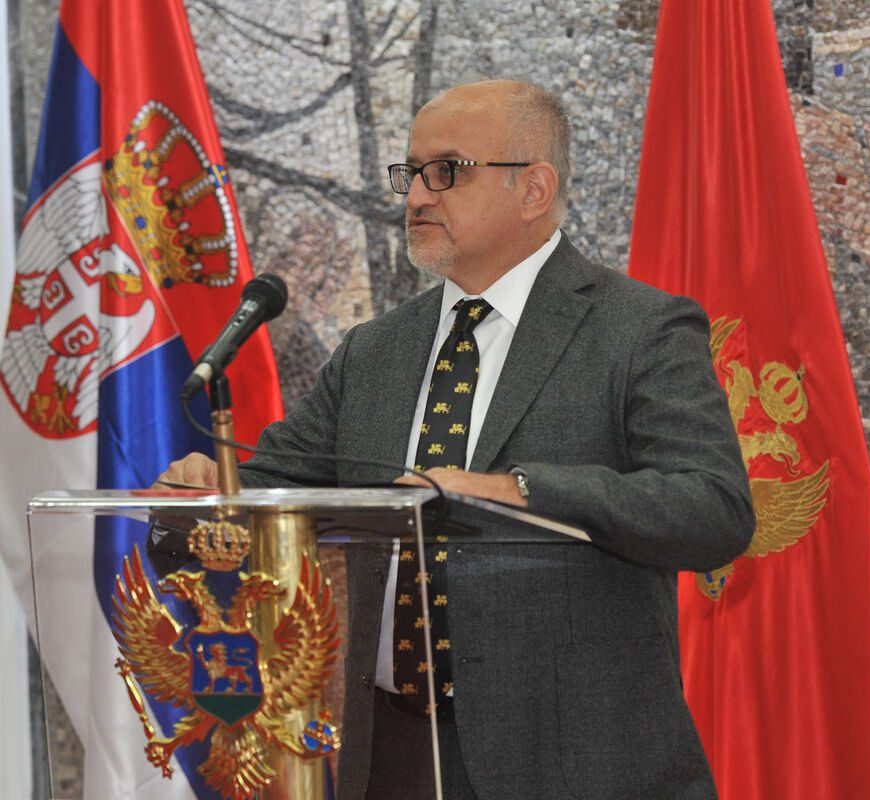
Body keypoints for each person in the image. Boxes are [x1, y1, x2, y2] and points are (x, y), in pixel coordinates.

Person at [155, 79, 754, 799]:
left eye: (446, 172)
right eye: (410, 173)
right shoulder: (375, 351)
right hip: (394, 754)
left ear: (533, 189)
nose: (415, 196)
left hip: (571, 762)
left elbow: (713, 509)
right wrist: (202, 494)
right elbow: (271, 484)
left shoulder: (639, 329)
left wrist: (516, 491)